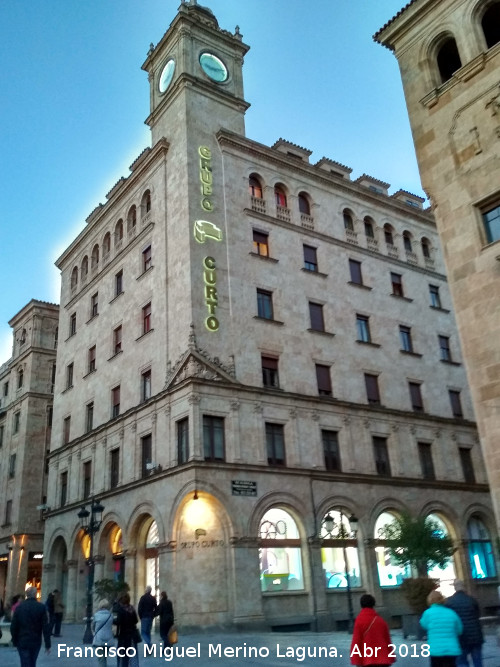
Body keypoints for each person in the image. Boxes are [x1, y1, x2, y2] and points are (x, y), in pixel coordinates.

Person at [420, 590, 463, 667]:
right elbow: (459, 630)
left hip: (435, 650)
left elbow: (423, 625)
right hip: (451, 649)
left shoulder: (427, 613)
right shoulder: (451, 612)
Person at [350, 594, 396, 667]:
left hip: (367, 660)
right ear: (373, 604)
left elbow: (356, 642)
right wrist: (391, 657)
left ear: (361, 605)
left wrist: (356, 660)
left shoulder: (359, 620)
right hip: (383, 660)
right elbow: (387, 640)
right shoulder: (381, 621)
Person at [446, 580, 484, 667]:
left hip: (460, 637)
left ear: (455, 587)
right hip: (476, 636)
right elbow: (478, 615)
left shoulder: (450, 602)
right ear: (464, 587)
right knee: (478, 662)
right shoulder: (472, 600)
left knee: (462, 662)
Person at [10, 586, 51, 667]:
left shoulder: (19, 608)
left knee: (24, 663)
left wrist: (14, 641)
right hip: (35, 641)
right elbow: (45, 627)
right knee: (32, 662)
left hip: (22, 640)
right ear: (35, 594)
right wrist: (47, 645)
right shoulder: (41, 607)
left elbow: (13, 626)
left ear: (26, 595)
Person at [114, 593, 140, 667]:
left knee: (122, 654)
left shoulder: (121, 610)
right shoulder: (131, 608)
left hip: (123, 636)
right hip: (131, 635)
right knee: (130, 654)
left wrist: (113, 621)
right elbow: (136, 620)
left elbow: (119, 621)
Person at [92, 599, 115, 667]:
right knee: (104, 657)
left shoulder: (96, 615)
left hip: (99, 639)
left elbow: (93, 626)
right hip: (108, 638)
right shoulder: (110, 616)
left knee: (101, 659)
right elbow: (112, 626)